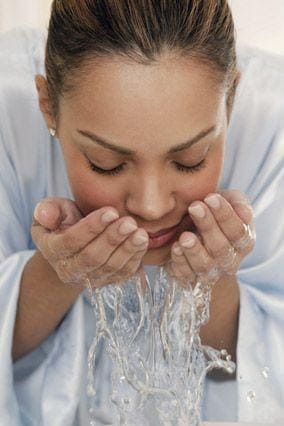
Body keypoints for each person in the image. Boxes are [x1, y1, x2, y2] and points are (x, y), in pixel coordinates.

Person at [0, 0, 283, 424]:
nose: (151, 207)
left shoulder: (275, 121)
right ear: (46, 105)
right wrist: (58, 273)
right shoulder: (6, 102)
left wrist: (211, 285)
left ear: (230, 101)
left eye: (190, 159)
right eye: (106, 162)